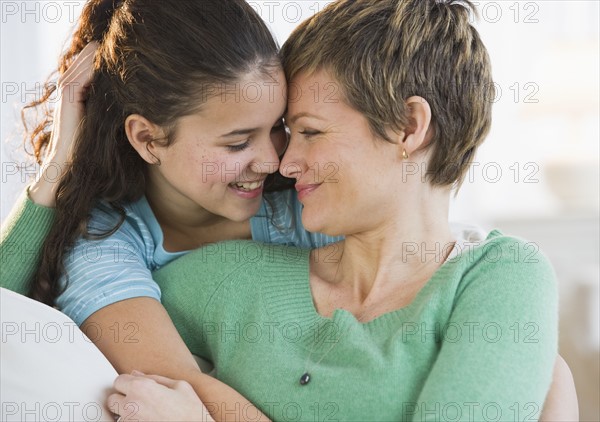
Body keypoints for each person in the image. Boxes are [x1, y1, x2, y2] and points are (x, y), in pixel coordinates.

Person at [0, 0, 577, 420]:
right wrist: (55, 171)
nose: (280, 161)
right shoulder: (134, 250)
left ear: (409, 126)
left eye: (295, 130)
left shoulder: (486, 272)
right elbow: (12, 321)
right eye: (236, 143)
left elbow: (426, 241)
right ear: (148, 140)